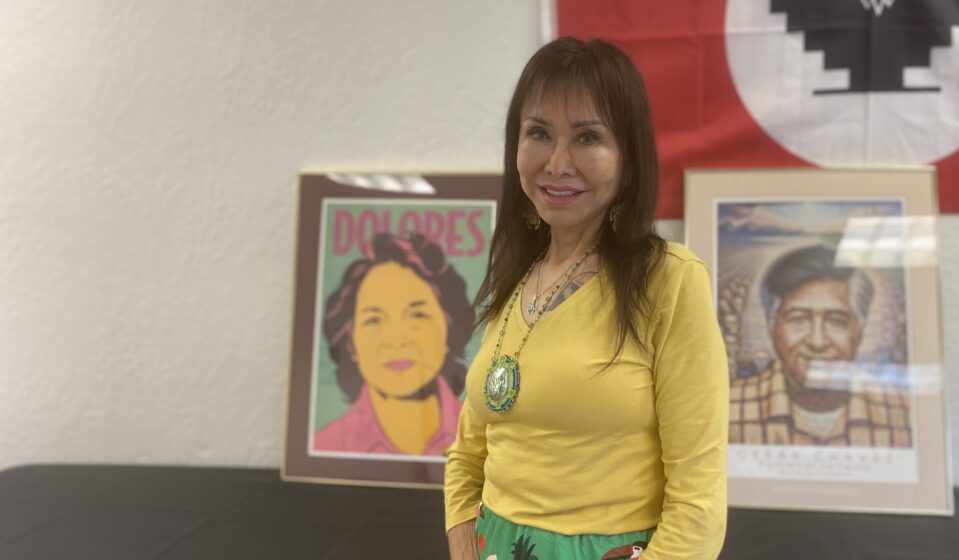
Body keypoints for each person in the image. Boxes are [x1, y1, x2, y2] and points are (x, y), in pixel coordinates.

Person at [444, 38, 728, 559]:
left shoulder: (671, 281)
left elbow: (699, 496)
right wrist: (465, 543)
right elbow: (469, 451)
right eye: (538, 133)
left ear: (628, 157)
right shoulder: (514, 276)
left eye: (587, 138)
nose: (557, 163)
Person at [729, 244, 912, 447]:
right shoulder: (726, 406)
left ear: (859, 330)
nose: (818, 342)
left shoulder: (905, 412)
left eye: (836, 321)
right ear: (771, 328)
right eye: (799, 319)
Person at [314, 231, 473, 456]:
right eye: (374, 320)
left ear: (449, 328)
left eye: (417, 315)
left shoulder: (484, 442)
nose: (397, 340)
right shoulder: (325, 447)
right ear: (350, 342)